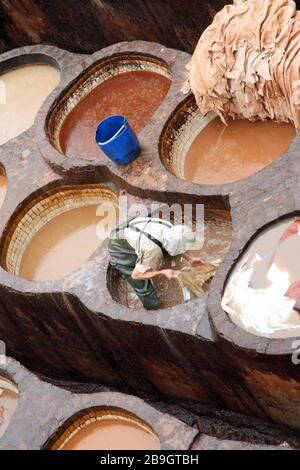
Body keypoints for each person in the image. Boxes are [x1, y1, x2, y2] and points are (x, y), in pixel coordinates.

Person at [108, 217, 203, 310]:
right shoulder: (152, 250)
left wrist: (190, 258)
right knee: (143, 286)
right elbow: (136, 275)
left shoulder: (172, 229)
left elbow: (178, 245)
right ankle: (154, 310)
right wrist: (162, 272)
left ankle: (150, 262)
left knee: (166, 255)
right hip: (119, 246)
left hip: (135, 229)